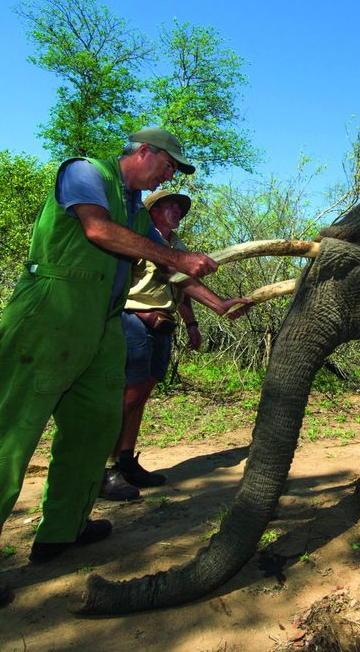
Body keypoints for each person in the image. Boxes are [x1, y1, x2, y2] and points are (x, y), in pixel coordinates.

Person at [0, 127, 218, 613]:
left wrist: (218, 300)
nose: (169, 176)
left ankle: (64, 528)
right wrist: (176, 255)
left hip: (101, 325)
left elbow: (168, 266)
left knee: (95, 426)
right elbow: (98, 231)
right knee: (11, 435)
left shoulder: (135, 209)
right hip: (51, 313)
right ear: (144, 152)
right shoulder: (85, 173)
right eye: (168, 165)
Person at [100, 188, 252, 500]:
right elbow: (171, 273)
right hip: (134, 319)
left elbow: (180, 287)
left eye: (179, 207)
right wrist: (219, 304)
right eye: (169, 205)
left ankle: (126, 461)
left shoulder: (177, 246)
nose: (177, 211)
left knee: (142, 395)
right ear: (153, 211)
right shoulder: (142, 238)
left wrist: (192, 323)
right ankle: (106, 469)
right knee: (129, 395)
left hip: (162, 323)